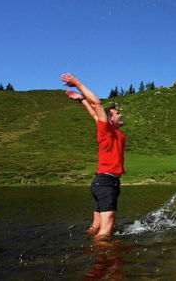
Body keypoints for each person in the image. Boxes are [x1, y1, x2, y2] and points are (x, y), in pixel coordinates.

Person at [60, 73, 125, 240]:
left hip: (102, 183)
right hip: (106, 183)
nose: (121, 115)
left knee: (96, 227)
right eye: (117, 113)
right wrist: (77, 83)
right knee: (105, 231)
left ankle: (80, 248)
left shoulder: (113, 132)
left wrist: (81, 99)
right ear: (109, 119)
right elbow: (96, 105)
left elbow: (94, 114)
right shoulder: (105, 129)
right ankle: (103, 262)